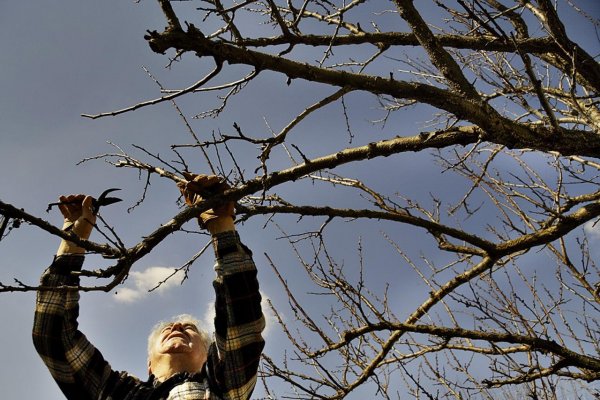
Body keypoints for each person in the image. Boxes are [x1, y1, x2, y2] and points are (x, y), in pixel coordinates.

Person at [33, 174, 265, 400]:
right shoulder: (119, 394)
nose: (176, 326)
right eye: (170, 328)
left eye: (189, 328)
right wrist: (73, 242)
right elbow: (53, 337)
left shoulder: (221, 387)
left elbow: (241, 324)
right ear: (149, 365)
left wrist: (222, 225)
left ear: (209, 355)